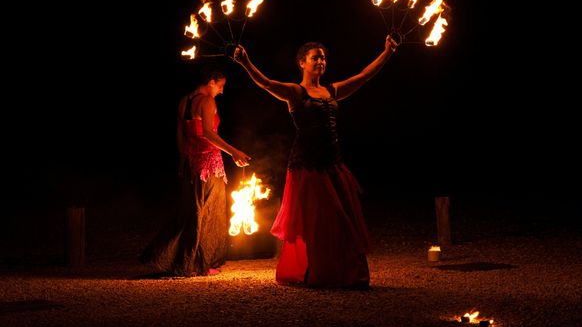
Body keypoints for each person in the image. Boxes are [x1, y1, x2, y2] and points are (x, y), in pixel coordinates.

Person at [233, 35, 397, 288]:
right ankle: (322, 273)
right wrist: (245, 61)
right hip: (307, 165)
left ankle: (345, 273)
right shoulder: (294, 92)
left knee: (343, 218)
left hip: (333, 161)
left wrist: (387, 52)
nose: (320, 61)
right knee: (321, 221)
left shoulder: (332, 90)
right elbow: (265, 83)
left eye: (323, 57)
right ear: (302, 63)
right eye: (315, 57)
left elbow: (363, 77)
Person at [140, 67, 251, 276]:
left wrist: (182, 160)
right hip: (209, 164)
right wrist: (234, 152)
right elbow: (208, 133)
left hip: (192, 163)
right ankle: (197, 263)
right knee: (208, 214)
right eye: (221, 86)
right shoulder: (207, 101)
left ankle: (185, 260)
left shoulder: (185, 101)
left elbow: (180, 134)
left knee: (193, 212)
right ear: (211, 81)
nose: (221, 91)